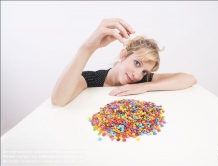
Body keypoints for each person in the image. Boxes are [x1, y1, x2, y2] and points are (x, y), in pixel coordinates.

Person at [51, 18, 197, 107]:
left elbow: (189, 79)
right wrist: (87, 48)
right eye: (137, 63)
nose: (137, 75)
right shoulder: (91, 79)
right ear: (124, 54)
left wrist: (146, 86)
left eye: (145, 72)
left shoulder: (141, 81)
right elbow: (58, 100)